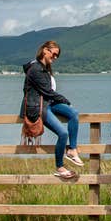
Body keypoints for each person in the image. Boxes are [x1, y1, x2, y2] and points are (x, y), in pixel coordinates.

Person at [21, 40, 83, 179]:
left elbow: (48, 93)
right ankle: (59, 167)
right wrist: (66, 101)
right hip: (39, 106)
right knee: (62, 133)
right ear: (45, 50)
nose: (55, 58)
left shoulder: (44, 67)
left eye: (57, 56)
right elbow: (47, 91)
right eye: (54, 54)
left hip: (48, 102)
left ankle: (72, 150)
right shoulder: (36, 69)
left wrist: (66, 104)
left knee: (73, 113)